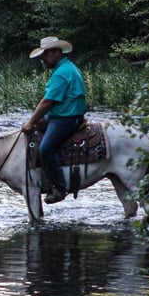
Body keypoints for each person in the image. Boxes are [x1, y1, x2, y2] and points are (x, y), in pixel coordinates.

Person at [21, 36, 87, 204]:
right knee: (39, 128)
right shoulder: (65, 68)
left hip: (67, 117)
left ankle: (59, 187)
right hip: (64, 113)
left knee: (46, 148)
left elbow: (47, 102)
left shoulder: (62, 73)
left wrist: (30, 122)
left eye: (46, 54)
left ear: (57, 53)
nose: (43, 59)